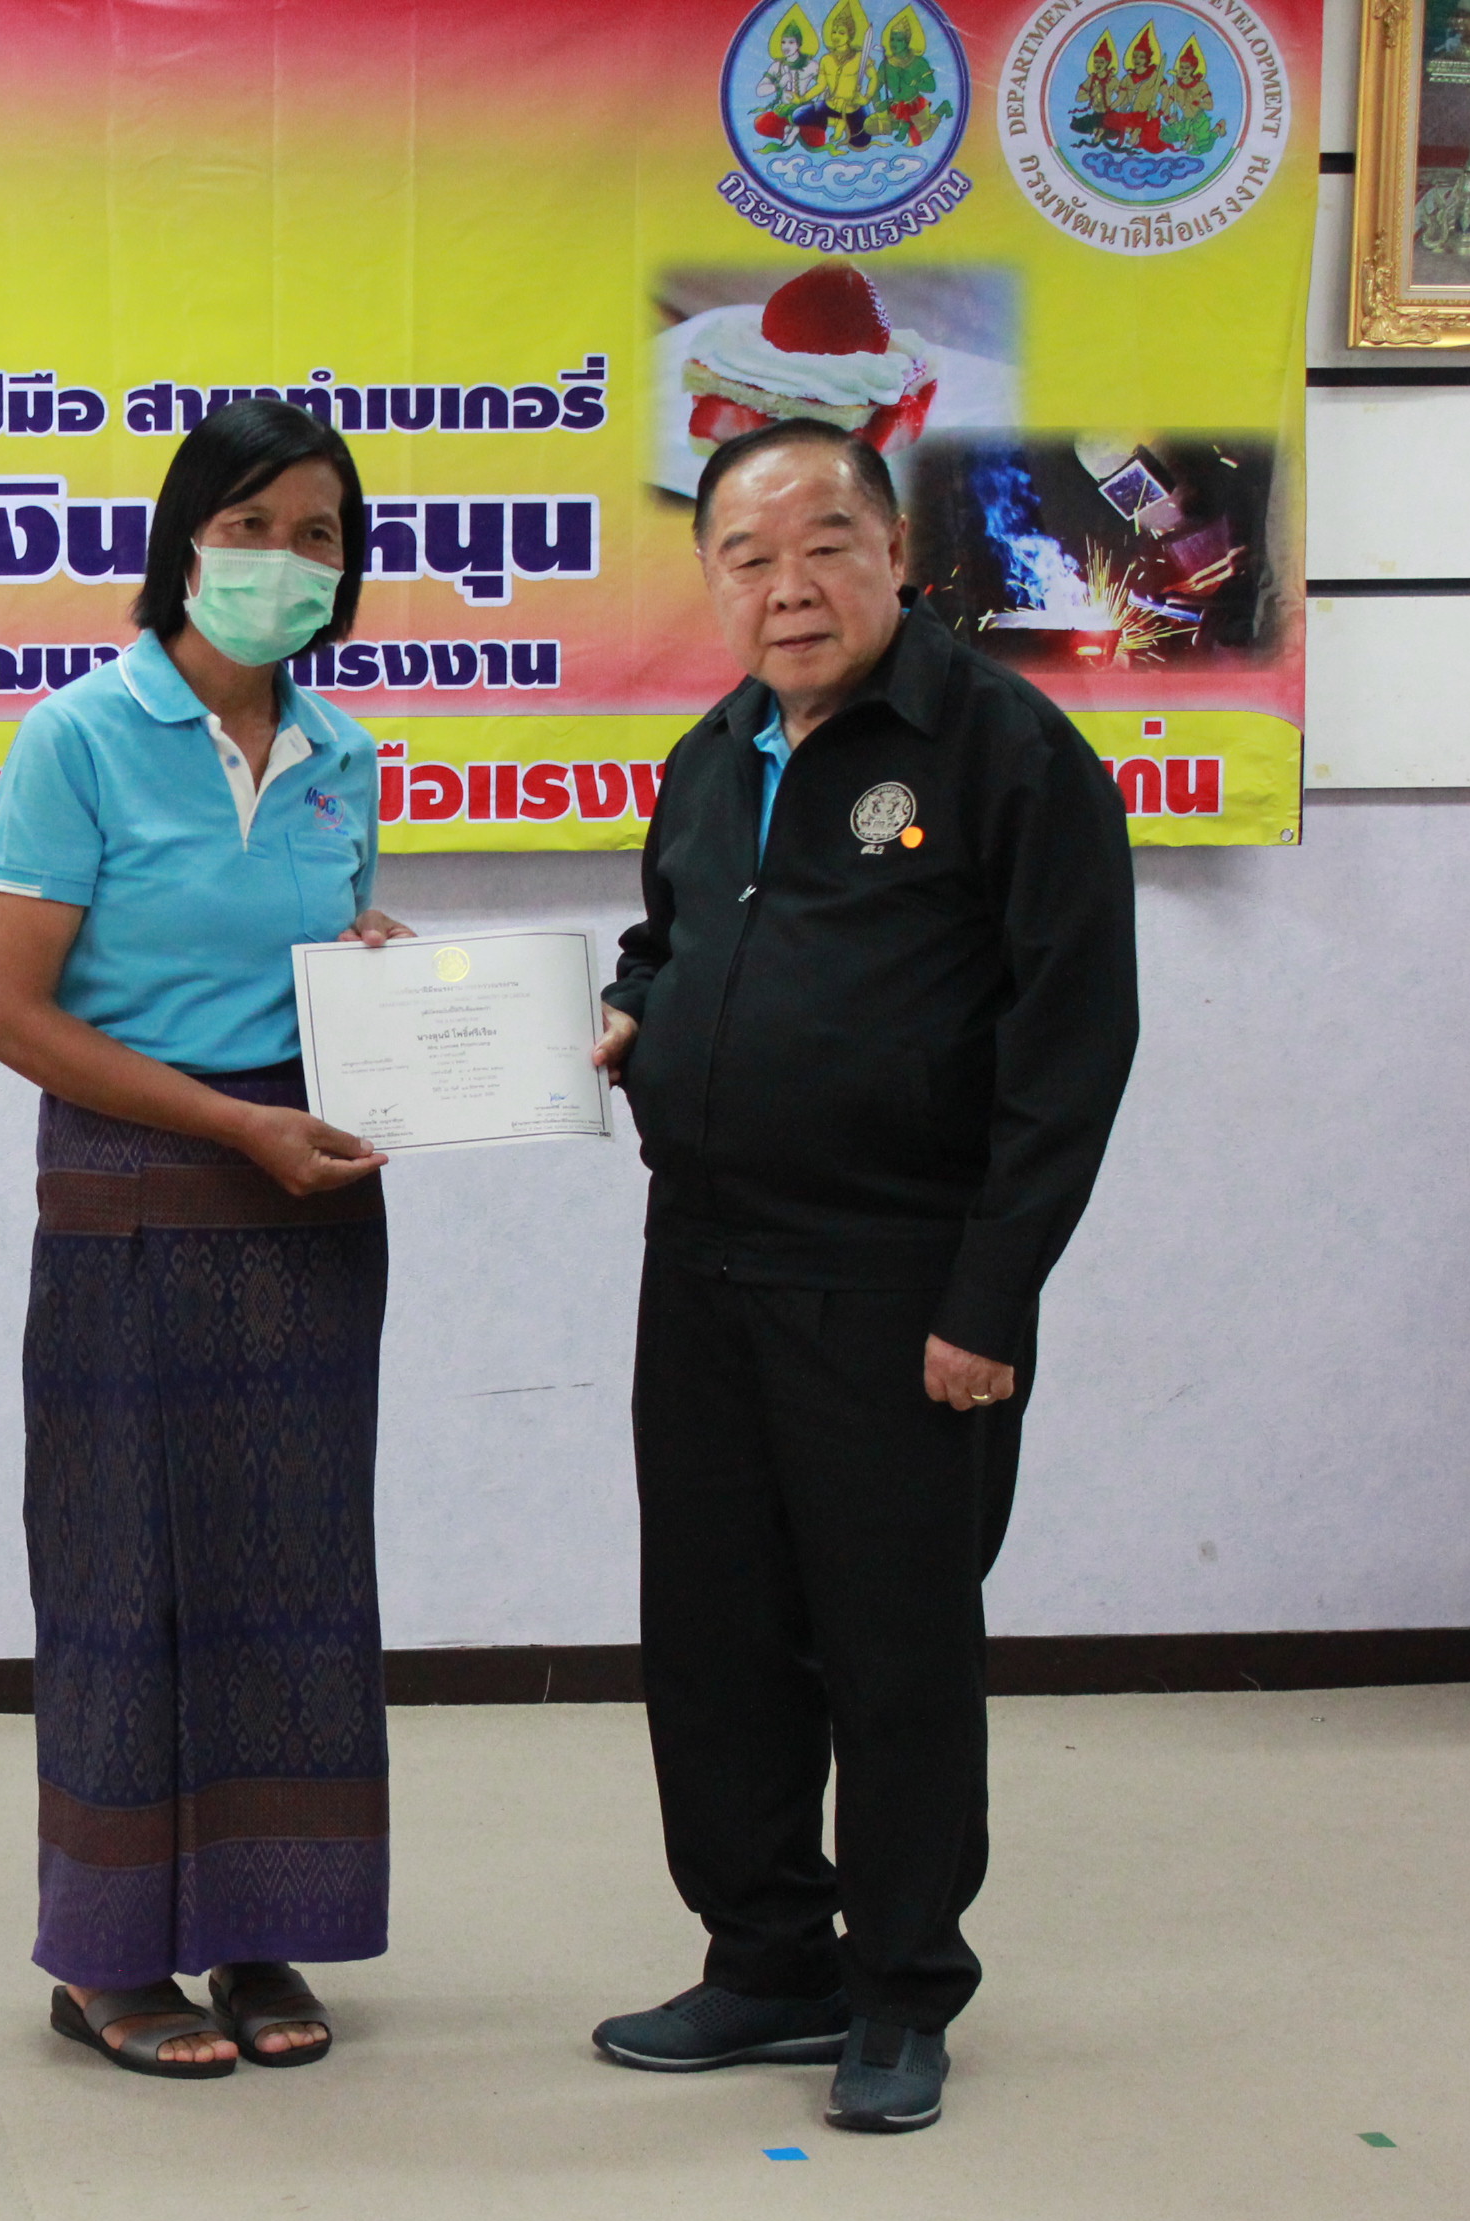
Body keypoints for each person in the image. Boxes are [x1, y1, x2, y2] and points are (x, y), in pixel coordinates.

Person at [587, 418, 1137, 2134]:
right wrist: (629, 1012)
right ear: (712, 584)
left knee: (894, 1649)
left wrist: (992, 1301)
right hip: (703, 1265)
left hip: (900, 1285)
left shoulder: (1006, 752)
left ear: (896, 551)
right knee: (718, 1639)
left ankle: (901, 1990)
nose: (789, 587)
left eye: (825, 544)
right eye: (747, 558)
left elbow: (1072, 1050)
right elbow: (671, 938)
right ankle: (767, 1960)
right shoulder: (713, 754)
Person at [0, 399, 408, 2080]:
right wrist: (231, 1124)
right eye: (250, 527)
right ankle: (107, 1960)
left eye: (319, 535)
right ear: (184, 542)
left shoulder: (344, 753)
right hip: (137, 1199)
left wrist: (384, 979)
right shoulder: (79, 736)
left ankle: (255, 1927)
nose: (285, 562)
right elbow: (10, 1015)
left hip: (312, 1204)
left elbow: (311, 953)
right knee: (123, 1579)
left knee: (292, 1576)